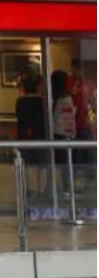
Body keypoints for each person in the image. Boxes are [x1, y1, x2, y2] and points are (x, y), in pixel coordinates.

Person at [16, 74, 48, 199]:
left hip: (25, 137)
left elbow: (19, 118)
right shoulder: (41, 101)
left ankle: (32, 189)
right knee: (42, 164)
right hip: (41, 136)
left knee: (29, 164)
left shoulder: (20, 102)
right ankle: (42, 189)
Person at [51, 69, 77, 199]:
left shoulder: (57, 99)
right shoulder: (65, 99)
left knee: (62, 165)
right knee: (65, 165)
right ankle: (66, 188)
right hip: (64, 136)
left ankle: (65, 188)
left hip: (58, 135)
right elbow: (69, 119)